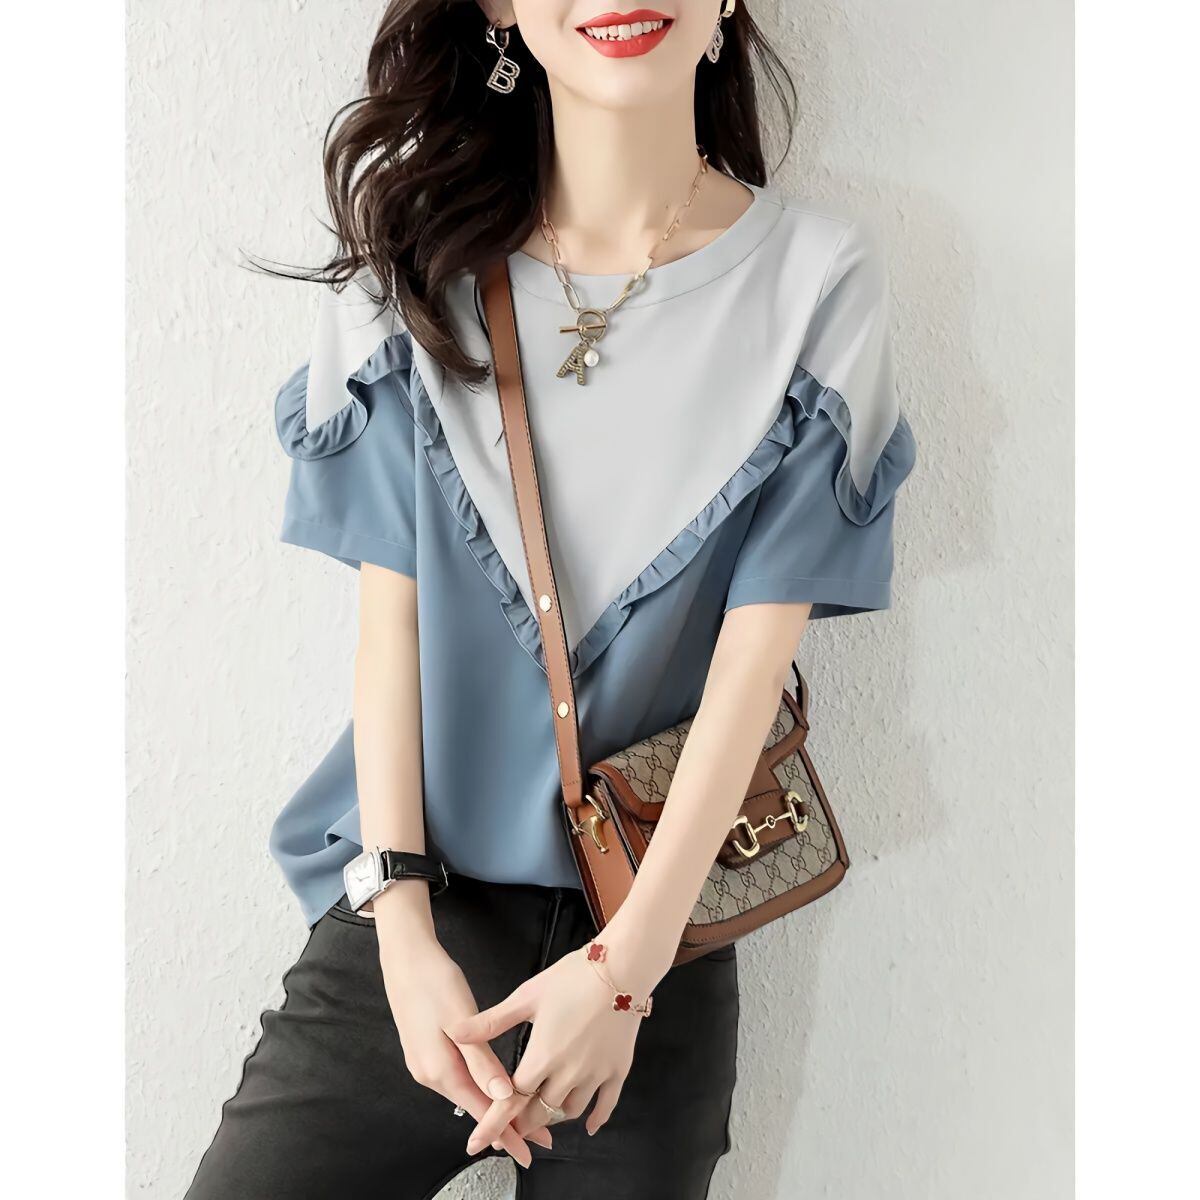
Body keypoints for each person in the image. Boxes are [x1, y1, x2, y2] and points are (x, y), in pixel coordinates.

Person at [186, 2, 917, 1197]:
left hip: (658, 928)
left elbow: (751, 672)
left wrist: (625, 975)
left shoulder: (816, 281)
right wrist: (403, 941)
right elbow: (390, 632)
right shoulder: (415, 259)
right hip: (418, 905)